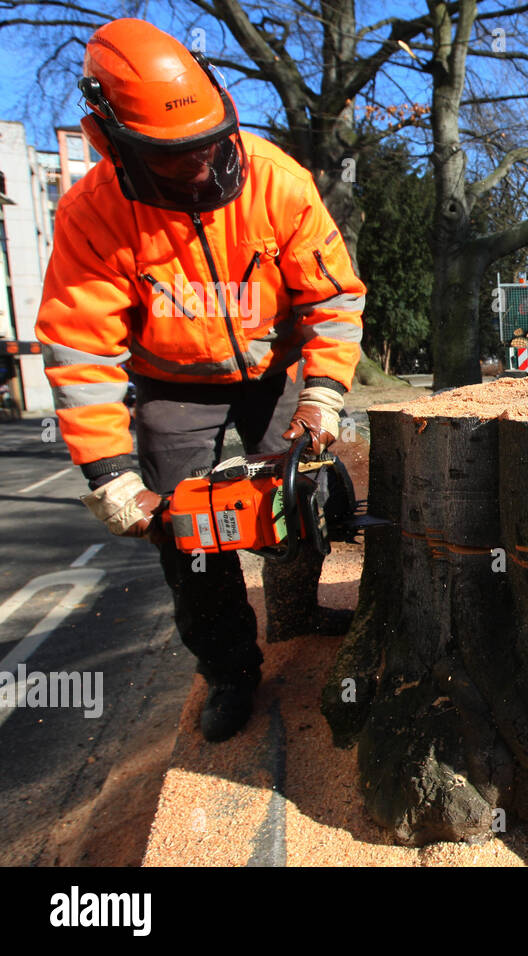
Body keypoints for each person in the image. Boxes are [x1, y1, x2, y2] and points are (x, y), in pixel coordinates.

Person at [35, 19, 365, 742]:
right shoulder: (93, 214)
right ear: (111, 140)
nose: (202, 165)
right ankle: (228, 670)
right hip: (171, 383)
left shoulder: (277, 181)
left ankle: (297, 605)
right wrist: (114, 478)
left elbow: (333, 299)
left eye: (210, 145)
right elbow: (79, 348)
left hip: (271, 369)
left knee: (300, 491)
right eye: (176, 155)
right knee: (189, 535)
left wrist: (322, 394)